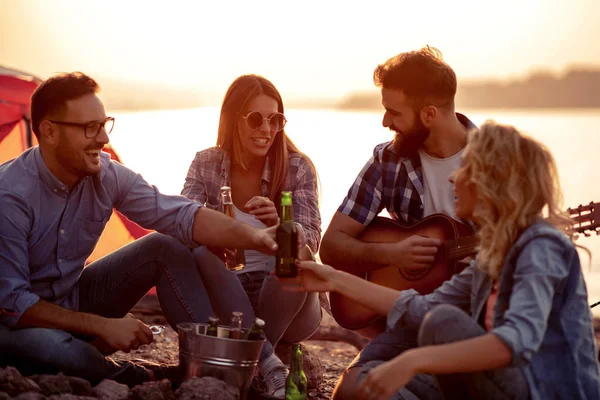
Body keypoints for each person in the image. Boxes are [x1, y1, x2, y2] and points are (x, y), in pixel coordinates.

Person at [282, 120, 600, 399]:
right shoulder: (494, 251)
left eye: (466, 168)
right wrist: (332, 278)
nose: (452, 178)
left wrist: (413, 362)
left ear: (491, 182)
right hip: (494, 384)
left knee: (443, 323)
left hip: (541, 390)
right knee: (361, 386)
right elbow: (419, 306)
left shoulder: (542, 247)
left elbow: (515, 342)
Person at [0, 72, 280, 388]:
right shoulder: (10, 195)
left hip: (72, 298)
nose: (103, 139)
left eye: (105, 125)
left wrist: (256, 237)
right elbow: (13, 305)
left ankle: (211, 368)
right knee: (48, 347)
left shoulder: (106, 175)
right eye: (90, 128)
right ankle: (130, 373)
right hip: (15, 324)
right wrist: (103, 326)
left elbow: (180, 215)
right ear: (49, 132)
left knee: (164, 247)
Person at [317, 46, 476, 398]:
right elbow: (330, 246)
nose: (385, 122)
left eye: (393, 112)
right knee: (349, 391)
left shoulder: (494, 160)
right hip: (409, 317)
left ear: (430, 114)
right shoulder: (389, 160)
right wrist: (393, 256)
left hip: (473, 323)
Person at [181, 74, 323, 398]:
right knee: (200, 255)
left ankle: (250, 358)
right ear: (234, 120)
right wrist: (218, 230)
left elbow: (312, 237)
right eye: (257, 119)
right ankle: (268, 364)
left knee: (298, 254)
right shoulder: (206, 163)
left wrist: (284, 222)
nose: (267, 129)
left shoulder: (298, 167)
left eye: (276, 120)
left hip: (288, 303)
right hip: (229, 291)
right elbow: (182, 222)